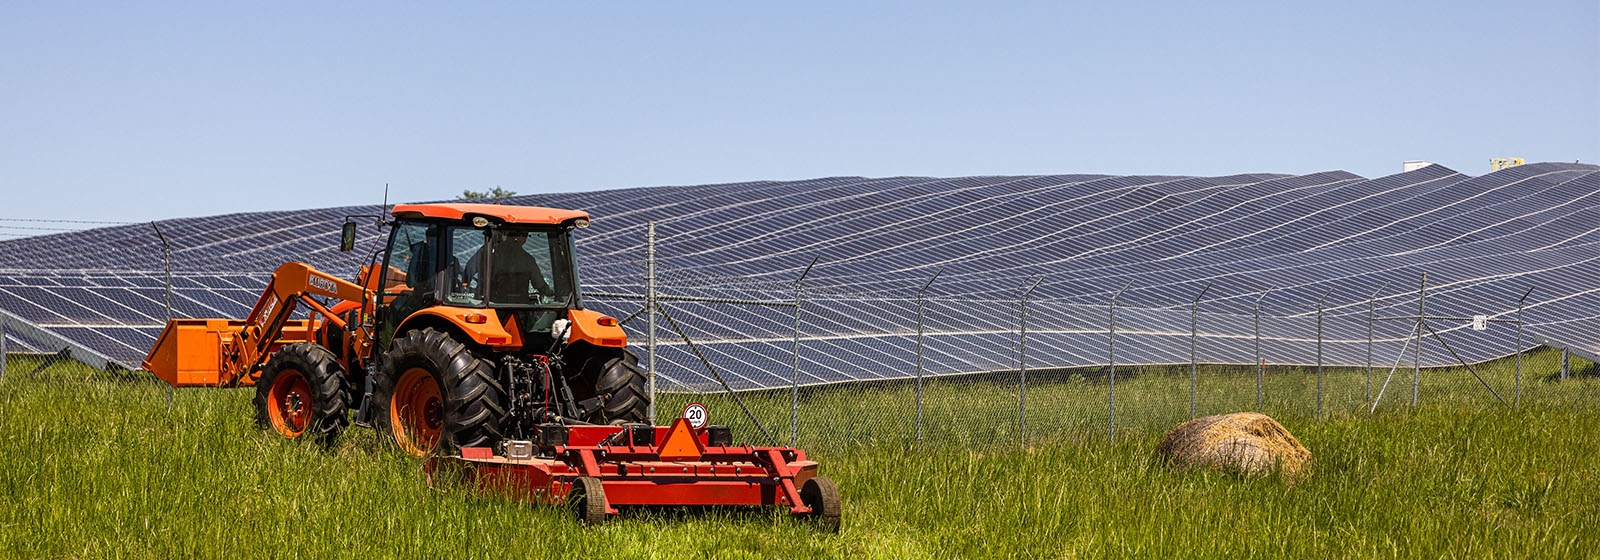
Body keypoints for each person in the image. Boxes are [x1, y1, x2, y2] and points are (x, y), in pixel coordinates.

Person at [467, 230, 554, 301]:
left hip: (494, 304)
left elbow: (468, 272)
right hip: (510, 306)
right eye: (522, 235)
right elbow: (540, 285)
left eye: (524, 236)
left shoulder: (487, 252)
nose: (522, 238)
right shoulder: (527, 259)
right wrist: (552, 294)